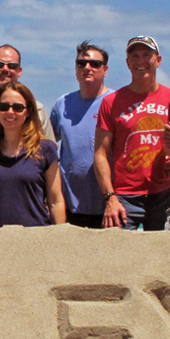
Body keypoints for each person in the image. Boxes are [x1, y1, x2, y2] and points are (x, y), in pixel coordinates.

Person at [94, 35, 170, 231]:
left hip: (164, 194)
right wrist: (110, 197)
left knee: (164, 257)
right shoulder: (111, 101)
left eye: (146, 55)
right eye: (135, 56)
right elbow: (100, 153)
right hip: (124, 197)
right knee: (116, 256)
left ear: (158, 60)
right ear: (127, 63)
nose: (141, 61)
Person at [0, 82, 66, 230]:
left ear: (28, 111)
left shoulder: (45, 149)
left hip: (35, 236)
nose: (10, 112)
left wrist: (62, 236)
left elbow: (55, 200)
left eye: (17, 107)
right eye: (3, 107)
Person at [50, 42, 110, 227]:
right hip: (69, 207)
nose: (87, 68)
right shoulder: (63, 104)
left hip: (108, 206)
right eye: (81, 64)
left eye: (94, 64)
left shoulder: (114, 102)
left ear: (105, 70)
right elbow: (48, 146)